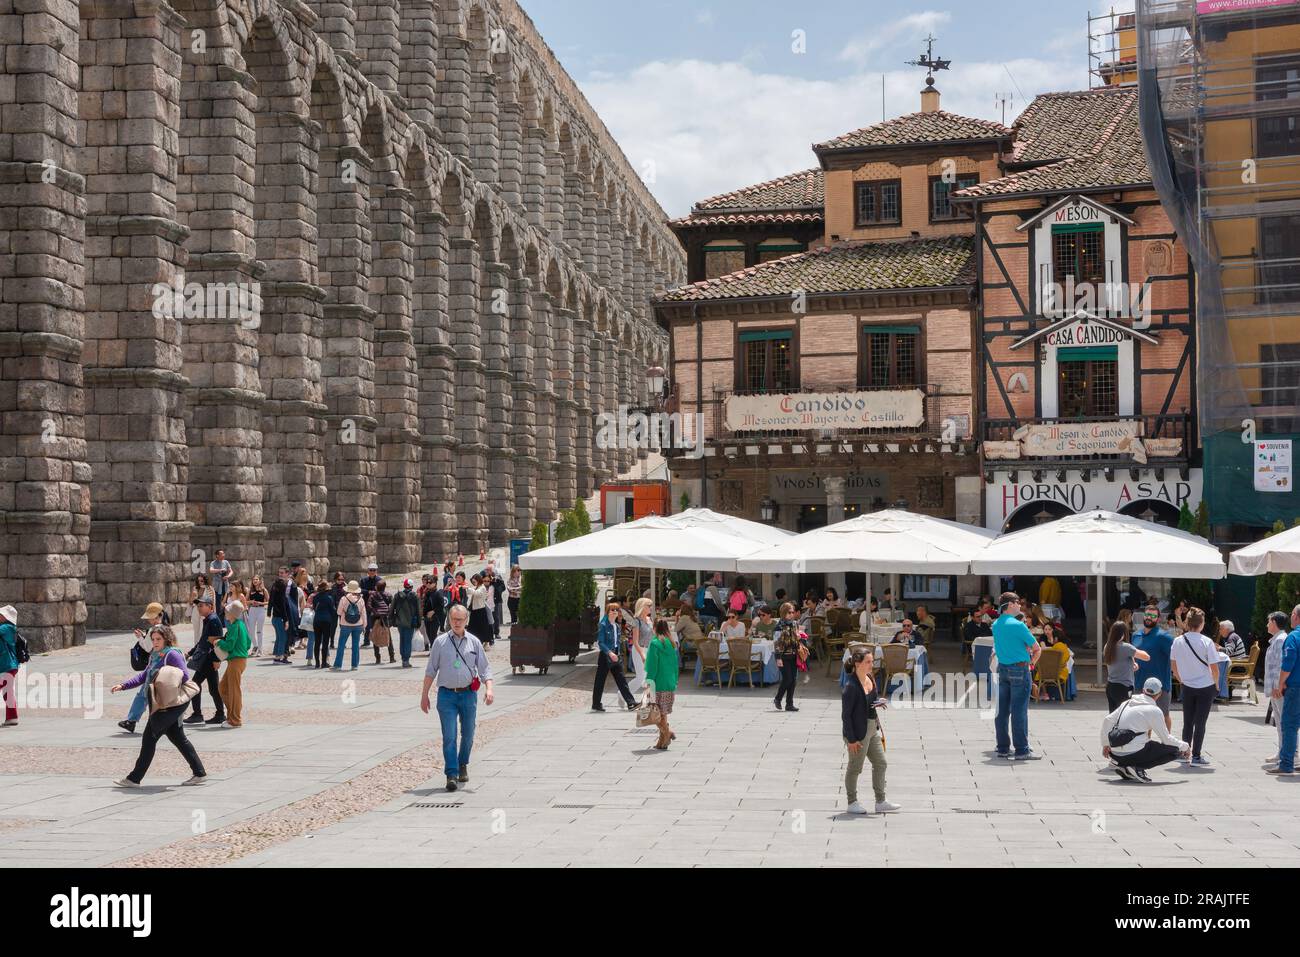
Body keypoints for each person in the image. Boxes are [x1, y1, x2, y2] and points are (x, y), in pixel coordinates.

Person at [111, 624, 207, 787]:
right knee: (178, 737)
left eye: (158, 639)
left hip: (170, 704)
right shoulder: (155, 655)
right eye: (153, 639)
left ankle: (134, 778)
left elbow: (184, 676)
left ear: (166, 639)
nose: (155, 642)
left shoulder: (172, 655)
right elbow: (145, 675)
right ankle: (199, 773)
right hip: (162, 702)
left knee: (149, 737)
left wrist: (165, 675)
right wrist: (123, 685)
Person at [420, 604, 494, 791]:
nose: (457, 623)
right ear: (449, 620)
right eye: (454, 619)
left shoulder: (474, 642)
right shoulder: (440, 642)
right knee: (450, 735)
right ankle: (451, 774)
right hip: (446, 695)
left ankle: (463, 763)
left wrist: (489, 689)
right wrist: (424, 695)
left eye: (460, 619)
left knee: (468, 734)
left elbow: (485, 668)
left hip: (468, 694)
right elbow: (431, 670)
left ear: (466, 620)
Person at [842, 647, 900, 815]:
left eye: (872, 661)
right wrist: (851, 740)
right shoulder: (850, 687)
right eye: (868, 662)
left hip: (872, 728)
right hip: (857, 733)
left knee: (881, 763)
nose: (871, 665)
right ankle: (852, 802)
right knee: (855, 768)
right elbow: (846, 716)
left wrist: (877, 702)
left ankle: (880, 801)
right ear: (857, 664)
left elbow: (870, 700)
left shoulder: (869, 678)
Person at [1100, 678, 1190, 782]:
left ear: (1143, 690)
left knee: (1147, 744)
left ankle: (1123, 765)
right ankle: (1137, 768)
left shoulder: (1126, 703)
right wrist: (1185, 746)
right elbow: (1166, 739)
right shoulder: (1154, 710)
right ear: (1159, 693)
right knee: (1175, 751)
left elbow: (1107, 720)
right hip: (1133, 753)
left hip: (1114, 753)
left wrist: (1105, 744)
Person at [992, 592, 1041, 760]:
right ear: (1011, 604)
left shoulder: (996, 624)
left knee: (1002, 711)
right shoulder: (1019, 625)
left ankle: (1002, 747)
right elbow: (1036, 648)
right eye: (1018, 603)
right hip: (1020, 669)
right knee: (1019, 711)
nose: (1020, 605)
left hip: (1003, 669)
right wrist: (1032, 663)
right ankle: (1022, 749)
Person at [1170, 607, 1219, 767]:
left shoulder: (1178, 641)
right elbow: (1214, 668)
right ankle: (1196, 756)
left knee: (1187, 721)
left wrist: (1181, 679)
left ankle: (1185, 753)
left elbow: (1173, 665)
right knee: (1200, 722)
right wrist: (1217, 684)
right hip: (1206, 686)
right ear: (1201, 624)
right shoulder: (1207, 642)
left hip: (1188, 685)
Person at [118, 602, 168, 733]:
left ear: (157, 616)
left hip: (155, 664)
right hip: (162, 663)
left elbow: (147, 647)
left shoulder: (154, 629)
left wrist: (140, 638)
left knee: (144, 694)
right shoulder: (166, 628)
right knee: (149, 694)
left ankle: (132, 721)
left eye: (150, 617)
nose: (149, 619)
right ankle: (133, 720)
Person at [1265, 605, 1300, 776]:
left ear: (1295, 616)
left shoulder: (1293, 637)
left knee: (1289, 725)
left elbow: (1287, 663)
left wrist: (1280, 684)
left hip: (1295, 687)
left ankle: (1287, 764)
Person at [1132, 603, 1176, 730]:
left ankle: (1167, 742)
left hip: (1160, 685)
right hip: (1140, 683)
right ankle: (1145, 744)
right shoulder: (1136, 635)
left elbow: (1175, 656)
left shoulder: (1164, 636)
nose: (1149, 618)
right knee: (1142, 717)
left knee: (1163, 715)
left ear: (1158, 619)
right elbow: (1132, 655)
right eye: (1147, 615)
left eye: (1152, 615)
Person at [185, 596, 224, 725]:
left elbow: (217, 642)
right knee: (213, 688)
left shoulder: (213, 620)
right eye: (198, 606)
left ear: (210, 606)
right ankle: (219, 714)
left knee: (195, 684)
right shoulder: (208, 619)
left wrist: (216, 659)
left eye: (202, 605)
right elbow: (203, 640)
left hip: (209, 659)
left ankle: (198, 714)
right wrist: (190, 652)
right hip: (207, 658)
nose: (199, 608)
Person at [592, 601, 637, 713]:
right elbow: (601, 643)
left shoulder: (616, 626)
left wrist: (617, 654)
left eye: (617, 610)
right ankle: (596, 704)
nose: (615, 612)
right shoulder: (603, 625)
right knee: (600, 681)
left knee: (621, 680)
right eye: (612, 610)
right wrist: (610, 653)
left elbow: (617, 642)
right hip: (606, 656)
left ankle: (631, 703)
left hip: (615, 656)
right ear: (608, 612)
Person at [644, 619, 679, 750]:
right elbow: (675, 664)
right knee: (663, 714)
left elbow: (652, 666)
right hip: (669, 682)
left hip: (657, 683)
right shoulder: (672, 644)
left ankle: (668, 733)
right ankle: (662, 742)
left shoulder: (654, 644)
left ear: (654, 628)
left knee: (656, 714)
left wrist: (649, 681)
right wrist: (675, 679)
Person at [216, 599, 250, 727]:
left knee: (233, 690)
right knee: (224, 687)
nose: (225, 612)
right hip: (239, 660)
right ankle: (232, 715)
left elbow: (229, 645)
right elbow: (248, 642)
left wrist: (218, 642)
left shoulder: (234, 626)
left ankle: (235, 719)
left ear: (232, 613)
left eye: (227, 610)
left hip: (236, 660)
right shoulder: (239, 624)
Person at [1103, 621, 1150, 711]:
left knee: (1114, 716)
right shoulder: (1126, 647)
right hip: (1123, 687)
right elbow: (1146, 657)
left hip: (1110, 686)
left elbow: (1118, 662)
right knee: (1124, 716)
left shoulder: (1107, 646)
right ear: (1124, 633)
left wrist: (1132, 664)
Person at [773, 602, 802, 713]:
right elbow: (776, 643)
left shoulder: (795, 624)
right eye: (789, 612)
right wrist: (778, 658)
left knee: (793, 680)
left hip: (794, 655)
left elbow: (796, 638)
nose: (791, 614)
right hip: (783, 656)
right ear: (783, 613)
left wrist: (799, 637)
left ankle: (789, 704)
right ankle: (778, 698)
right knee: (787, 679)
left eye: (792, 612)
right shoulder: (779, 626)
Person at [333, 581, 368, 671]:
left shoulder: (343, 599)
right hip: (358, 624)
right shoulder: (361, 599)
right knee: (355, 645)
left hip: (345, 624)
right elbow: (363, 613)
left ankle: (338, 665)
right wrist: (364, 625)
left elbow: (338, 612)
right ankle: (354, 665)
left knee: (341, 645)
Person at [627, 597, 654, 695]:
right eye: (649, 606)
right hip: (639, 650)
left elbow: (653, 635)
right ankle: (623, 694)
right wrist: (642, 655)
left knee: (648, 678)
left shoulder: (649, 619)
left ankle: (648, 702)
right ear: (642, 607)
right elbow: (635, 641)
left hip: (649, 650)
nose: (651, 608)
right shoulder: (636, 621)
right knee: (640, 678)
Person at [392, 578, 422, 669]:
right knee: (408, 641)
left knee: (402, 640)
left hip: (400, 622)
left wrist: (391, 620)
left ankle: (403, 658)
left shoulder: (397, 595)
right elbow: (418, 610)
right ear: (412, 586)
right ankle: (406, 660)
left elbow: (392, 608)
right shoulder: (415, 596)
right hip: (410, 622)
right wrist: (419, 623)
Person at [368, 579, 396, 665]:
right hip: (385, 618)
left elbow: (368, 605)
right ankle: (391, 657)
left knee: (375, 636)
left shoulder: (372, 595)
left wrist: (375, 611)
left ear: (377, 587)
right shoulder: (388, 595)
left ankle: (378, 658)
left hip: (375, 618)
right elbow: (393, 606)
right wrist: (389, 613)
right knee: (388, 637)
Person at [268, 566, 293, 663]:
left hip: (275, 617)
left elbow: (271, 601)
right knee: (283, 637)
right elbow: (283, 608)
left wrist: (269, 611)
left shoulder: (275, 591)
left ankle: (277, 655)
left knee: (279, 637)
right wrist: (286, 620)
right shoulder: (281, 596)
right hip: (280, 618)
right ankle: (279, 656)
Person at [311, 581, 337, 669]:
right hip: (326, 621)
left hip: (317, 620)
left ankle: (317, 663)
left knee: (317, 642)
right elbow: (333, 611)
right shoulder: (329, 598)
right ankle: (324, 662)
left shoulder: (315, 597)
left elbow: (314, 608)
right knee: (325, 642)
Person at [0, 605, 19, 727]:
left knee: (8, 692)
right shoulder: (8, 628)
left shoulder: (7, 628)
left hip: (6, 665)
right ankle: (12, 717)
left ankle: (12, 717)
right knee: (8, 692)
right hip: (9, 665)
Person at [466, 574, 493, 649]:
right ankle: (473, 642)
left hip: (480, 610)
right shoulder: (476, 587)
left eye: (475, 581)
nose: (473, 582)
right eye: (473, 581)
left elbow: (477, 593)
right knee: (472, 627)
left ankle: (485, 643)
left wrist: (468, 588)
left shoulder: (482, 587)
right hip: (474, 610)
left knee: (482, 627)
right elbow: (469, 592)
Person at [189, 573, 214, 641]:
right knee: (196, 631)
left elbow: (213, 602)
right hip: (196, 610)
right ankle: (196, 647)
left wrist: (213, 613)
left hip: (205, 611)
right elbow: (191, 602)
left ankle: (201, 647)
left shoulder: (210, 589)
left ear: (205, 580)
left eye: (202, 581)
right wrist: (193, 596)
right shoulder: (195, 588)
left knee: (202, 631)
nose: (200, 582)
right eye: (198, 581)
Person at [246, 576, 268, 657]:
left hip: (261, 610)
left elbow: (269, 601)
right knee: (251, 630)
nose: (255, 581)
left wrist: (261, 603)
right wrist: (251, 601)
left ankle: (260, 649)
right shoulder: (250, 590)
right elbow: (245, 601)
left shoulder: (264, 590)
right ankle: (255, 645)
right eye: (253, 579)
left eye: (256, 579)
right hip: (252, 610)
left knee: (259, 631)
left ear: (259, 580)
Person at [208, 549, 232, 621]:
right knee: (217, 603)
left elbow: (231, 571)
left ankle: (226, 619)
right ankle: (218, 619)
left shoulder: (226, 562)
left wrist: (228, 576)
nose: (223, 555)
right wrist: (220, 570)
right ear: (217, 555)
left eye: (223, 554)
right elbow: (211, 570)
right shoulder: (213, 563)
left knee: (227, 602)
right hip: (217, 586)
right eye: (222, 554)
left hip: (225, 584)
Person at [487, 565, 506, 644]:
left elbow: (503, 587)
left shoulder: (498, 577)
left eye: (489, 570)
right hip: (487, 600)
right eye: (487, 570)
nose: (488, 571)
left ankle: (496, 632)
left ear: (493, 570)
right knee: (488, 616)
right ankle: (489, 631)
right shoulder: (485, 577)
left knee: (496, 617)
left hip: (496, 600)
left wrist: (495, 582)